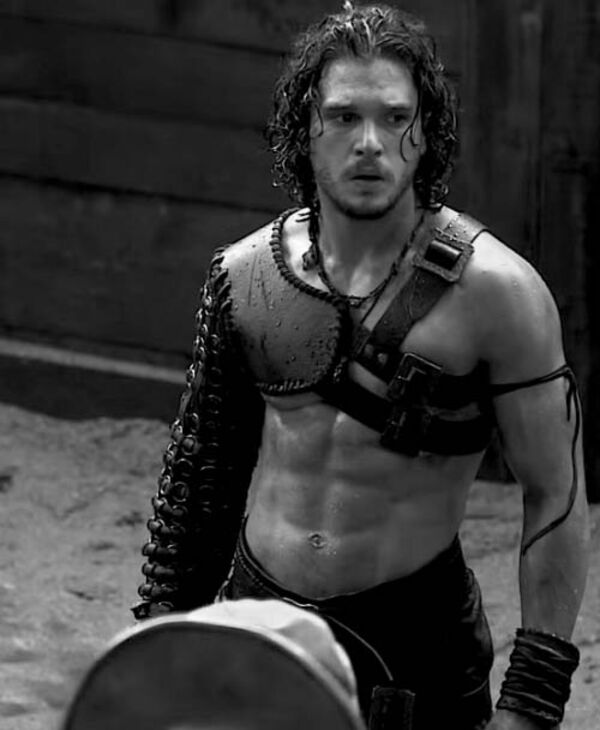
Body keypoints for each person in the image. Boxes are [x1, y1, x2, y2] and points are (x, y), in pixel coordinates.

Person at [132, 3, 590, 729]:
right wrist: (160, 647)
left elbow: (556, 496)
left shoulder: (501, 295)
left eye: (395, 117)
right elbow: (201, 485)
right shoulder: (246, 277)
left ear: (425, 132)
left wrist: (532, 703)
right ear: (305, 130)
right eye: (344, 116)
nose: (371, 143)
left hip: (413, 652)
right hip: (259, 632)